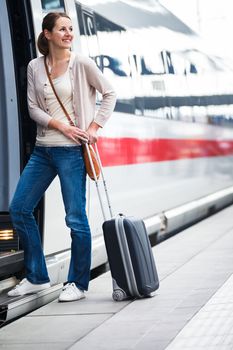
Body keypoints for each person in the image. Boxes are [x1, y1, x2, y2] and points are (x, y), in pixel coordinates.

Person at [8, 12, 116, 302]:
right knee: (19, 209)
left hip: (72, 154)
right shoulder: (35, 66)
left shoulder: (81, 63)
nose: (69, 33)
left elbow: (110, 93)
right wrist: (61, 126)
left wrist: (93, 127)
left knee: (76, 219)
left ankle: (78, 284)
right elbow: (33, 108)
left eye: (71, 29)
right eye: (62, 29)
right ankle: (37, 277)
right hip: (44, 150)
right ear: (47, 34)